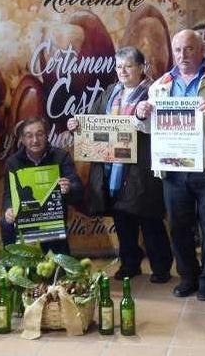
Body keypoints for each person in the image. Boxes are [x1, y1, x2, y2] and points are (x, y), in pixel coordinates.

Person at [136, 29, 205, 302]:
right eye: (179, 50)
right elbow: (148, 129)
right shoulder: (159, 85)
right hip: (173, 167)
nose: (183, 55)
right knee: (179, 227)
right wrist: (141, 114)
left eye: (189, 49)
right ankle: (188, 277)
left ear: (202, 49)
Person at [66, 47, 173, 283]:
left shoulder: (154, 92)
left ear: (141, 68)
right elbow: (92, 121)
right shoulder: (111, 92)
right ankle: (129, 263)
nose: (122, 71)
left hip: (142, 166)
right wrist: (77, 125)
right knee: (122, 218)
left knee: (149, 218)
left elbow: (165, 126)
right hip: (112, 167)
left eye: (128, 66)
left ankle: (161, 267)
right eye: (118, 67)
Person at [1, 117, 84, 254]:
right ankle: (13, 266)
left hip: (52, 215)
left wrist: (69, 188)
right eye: (29, 136)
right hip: (24, 215)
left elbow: (78, 188)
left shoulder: (61, 156)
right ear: (22, 139)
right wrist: (9, 209)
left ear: (46, 135)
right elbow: (8, 194)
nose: (35, 140)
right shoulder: (13, 162)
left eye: (39, 134)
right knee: (6, 222)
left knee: (55, 272)